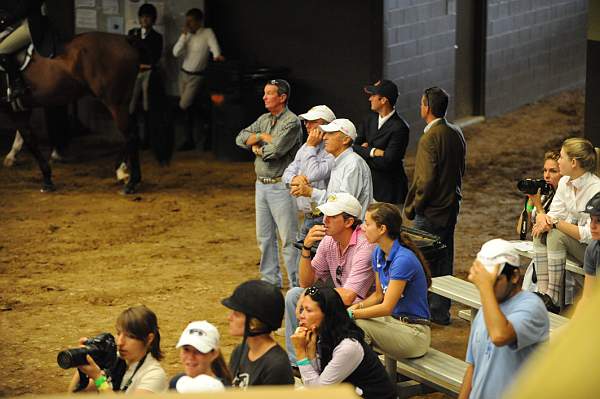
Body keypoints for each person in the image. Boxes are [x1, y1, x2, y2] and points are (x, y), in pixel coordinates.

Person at [284, 193, 375, 367]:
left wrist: (311, 296)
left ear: (348, 222)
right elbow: (306, 283)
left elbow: (348, 296)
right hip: (339, 303)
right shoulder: (329, 241)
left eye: (332, 217)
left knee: (309, 301)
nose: (325, 220)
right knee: (294, 294)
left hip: (361, 309)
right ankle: (297, 363)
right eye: (325, 215)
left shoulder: (365, 246)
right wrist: (306, 248)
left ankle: (321, 361)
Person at [403, 86, 466, 325]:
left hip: (430, 211)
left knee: (423, 261)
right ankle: (440, 311)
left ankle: (424, 311)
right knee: (444, 257)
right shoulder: (456, 131)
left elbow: (426, 179)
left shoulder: (430, 137)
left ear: (427, 107)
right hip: (450, 207)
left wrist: (416, 205)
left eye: (421, 103)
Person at [458, 239, 549, 399]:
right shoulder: (485, 310)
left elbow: (500, 335)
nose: (488, 286)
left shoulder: (533, 307)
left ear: (514, 276)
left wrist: (485, 288)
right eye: (485, 280)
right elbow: (473, 368)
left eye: (494, 280)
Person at [235, 79, 302, 288]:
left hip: (281, 186)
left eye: (269, 93)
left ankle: (296, 283)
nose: (264, 97)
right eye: (265, 93)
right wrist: (260, 137)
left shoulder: (291, 122)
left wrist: (255, 148)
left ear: (282, 97)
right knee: (264, 237)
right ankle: (270, 281)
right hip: (262, 185)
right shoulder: (264, 119)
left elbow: (276, 151)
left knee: (288, 238)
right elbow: (239, 138)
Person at [349, 202, 431, 361]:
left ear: (382, 229)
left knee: (356, 325)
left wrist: (351, 314)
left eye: (367, 223)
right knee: (348, 321)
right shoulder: (379, 252)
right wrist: (353, 308)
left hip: (414, 333)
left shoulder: (403, 260)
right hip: (393, 323)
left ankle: (367, 380)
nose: (363, 228)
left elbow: (386, 307)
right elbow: (378, 296)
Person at [532, 138, 600, 312]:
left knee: (555, 234)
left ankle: (553, 298)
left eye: (561, 157)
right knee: (541, 231)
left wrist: (554, 222)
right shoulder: (564, 182)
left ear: (574, 162)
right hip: (577, 243)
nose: (559, 160)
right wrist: (543, 218)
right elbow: (555, 214)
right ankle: (542, 292)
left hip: (593, 251)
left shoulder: (595, 188)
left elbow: (590, 234)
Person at [291, 287, 396, 399]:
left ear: (327, 314)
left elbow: (317, 393)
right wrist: (311, 351)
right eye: (302, 309)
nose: (301, 316)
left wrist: (300, 353)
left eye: (309, 310)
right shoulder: (323, 335)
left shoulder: (348, 346)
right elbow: (315, 382)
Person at [67, 305, 168, 394]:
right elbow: (74, 395)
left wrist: (99, 379)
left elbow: (100, 382)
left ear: (149, 338)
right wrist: (83, 358)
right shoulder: (115, 362)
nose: (120, 342)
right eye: (119, 333)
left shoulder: (154, 375)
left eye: (130, 336)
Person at [291, 118, 373, 219]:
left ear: (346, 139)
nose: (324, 137)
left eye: (331, 133)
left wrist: (311, 192)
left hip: (352, 230)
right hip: (342, 227)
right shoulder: (341, 161)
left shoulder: (353, 163)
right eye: (325, 133)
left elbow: (344, 204)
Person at [222, 280, 294, 388]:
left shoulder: (276, 366)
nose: (229, 318)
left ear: (253, 323)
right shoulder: (239, 352)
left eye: (236, 314)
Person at [172, 8, 223, 151]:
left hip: (197, 75)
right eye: (187, 21)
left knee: (183, 104)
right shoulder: (187, 35)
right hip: (183, 74)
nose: (188, 24)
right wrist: (183, 36)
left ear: (199, 21)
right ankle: (189, 139)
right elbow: (175, 52)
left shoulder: (207, 32)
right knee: (189, 108)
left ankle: (197, 135)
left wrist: (217, 55)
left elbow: (214, 48)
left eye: (191, 21)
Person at [283, 105, 336, 240]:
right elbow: (286, 174)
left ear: (327, 125)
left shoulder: (333, 150)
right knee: (304, 259)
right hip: (308, 217)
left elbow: (313, 174)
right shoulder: (305, 147)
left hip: (326, 219)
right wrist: (296, 179)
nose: (307, 125)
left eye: (313, 121)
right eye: (306, 121)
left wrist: (311, 146)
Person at [354, 80, 410, 205]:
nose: (370, 99)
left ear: (383, 100)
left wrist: (363, 153)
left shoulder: (400, 127)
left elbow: (388, 162)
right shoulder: (369, 119)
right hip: (369, 188)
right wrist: (373, 152)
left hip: (389, 191)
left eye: (373, 96)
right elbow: (353, 147)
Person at [127, 3, 163, 148]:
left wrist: (144, 65)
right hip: (135, 72)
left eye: (148, 18)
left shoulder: (157, 37)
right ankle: (132, 136)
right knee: (131, 106)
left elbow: (156, 56)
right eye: (142, 17)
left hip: (148, 71)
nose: (145, 20)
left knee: (148, 106)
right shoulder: (132, 33)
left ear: (153, 20)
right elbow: (128, 53)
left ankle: (147, 139)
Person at [0, 0, 47, 100]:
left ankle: (18, 85)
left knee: (1, 49)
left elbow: (23, 9)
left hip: (30, 23)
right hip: (17, 24)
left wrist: (5, 20)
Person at [169, 320, 232, 392]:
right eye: (186, 350)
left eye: (198, 351)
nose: (190, 357)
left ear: (214, 354)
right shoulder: (175, 383)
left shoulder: (225, 390)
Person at [516, 150, 561, 238]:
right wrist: (530, 202)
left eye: (553, 171)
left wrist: (538, 205)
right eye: (545, 170)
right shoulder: (543, 193)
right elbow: (521, 230)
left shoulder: (566, 196)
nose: (547, 175)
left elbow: (548, 227)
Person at [571, 192, 600, 320]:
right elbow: (587, 297)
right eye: (591, 220)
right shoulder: (593, 249)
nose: (592, 226)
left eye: (599, 221)